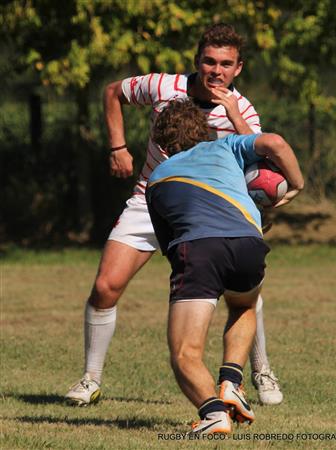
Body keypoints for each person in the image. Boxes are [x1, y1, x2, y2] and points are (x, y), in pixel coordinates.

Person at [65, 23, 282, 406]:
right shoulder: (165, 86)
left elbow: (259, 157)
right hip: (152, 197)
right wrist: (118, 146)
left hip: (211, 210)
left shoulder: (243, 109)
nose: (216, 70)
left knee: (242, 287)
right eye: (209, 61)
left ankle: (260, 370)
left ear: (239, 68)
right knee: (105, 287)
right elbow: (113, 92)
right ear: (197, 61)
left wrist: (234, 115)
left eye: (226, 64)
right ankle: (90, 379)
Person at [146, 99, 304, 434]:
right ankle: (231, 381)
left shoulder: (157, 178)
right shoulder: (228, 146)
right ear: (206, 131)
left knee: (185, 353)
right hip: (250, 242)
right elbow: (274, 143)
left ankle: (212, 414)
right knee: (244, 305)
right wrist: (298, 185)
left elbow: (169, 245)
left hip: (199, 248)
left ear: (161, 145)